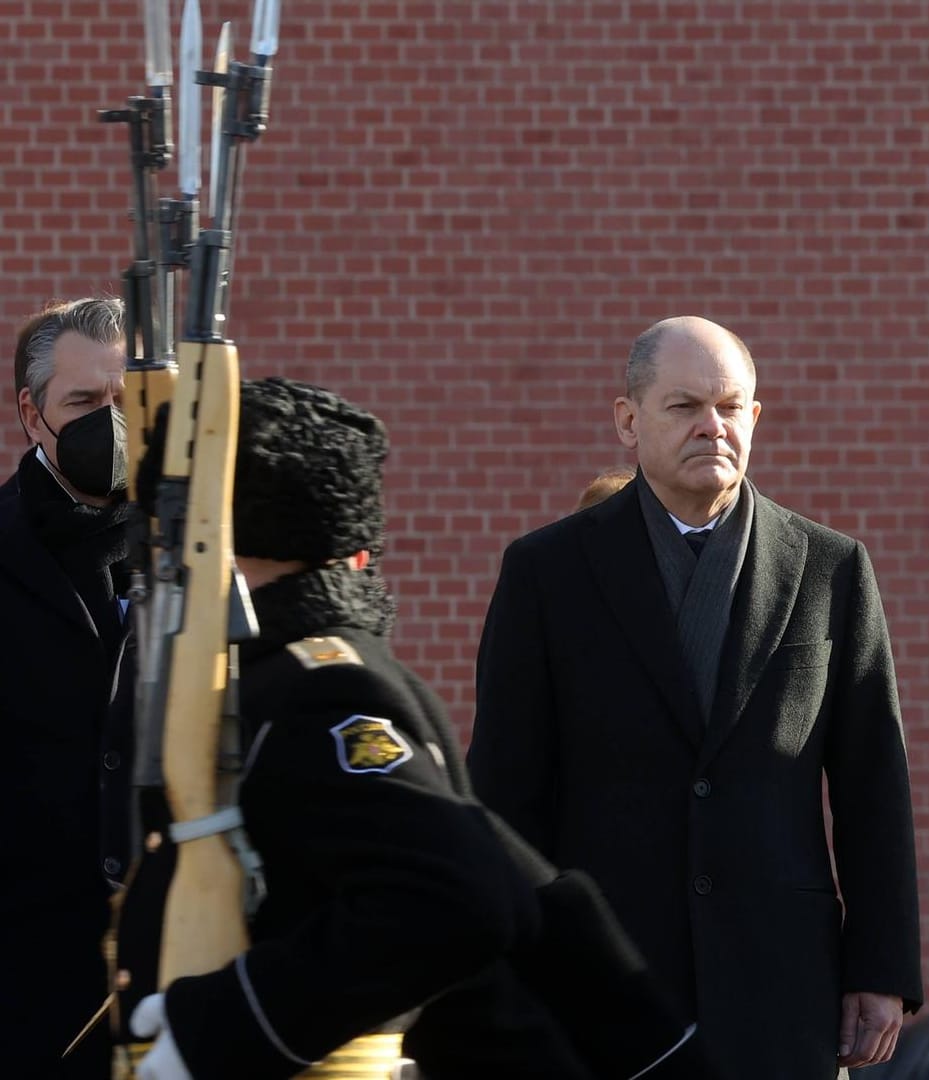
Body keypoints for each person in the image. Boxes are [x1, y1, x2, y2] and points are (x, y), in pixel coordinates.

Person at [119, 377, 710, 1079]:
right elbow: (531, 903)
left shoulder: (326, 689)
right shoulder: (302, 675)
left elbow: (450, 899)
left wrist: (235, 1021)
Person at [469, 314, 925, 1080]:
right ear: (628, 420)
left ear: (754, 417)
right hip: (607, 977)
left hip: (780, 980)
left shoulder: (830, 568)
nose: (711, 427)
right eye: (683, 407)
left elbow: (873, 784)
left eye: (729, 406)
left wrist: (881, 969)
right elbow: (507, 793)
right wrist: (514, 967)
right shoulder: (548, 573)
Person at [2, 296, 136, 1079]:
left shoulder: (203, 555)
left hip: (172, 989)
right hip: (27, 989)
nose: (109, 425)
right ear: (32, 412)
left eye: (126, 402)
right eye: (84, 403)